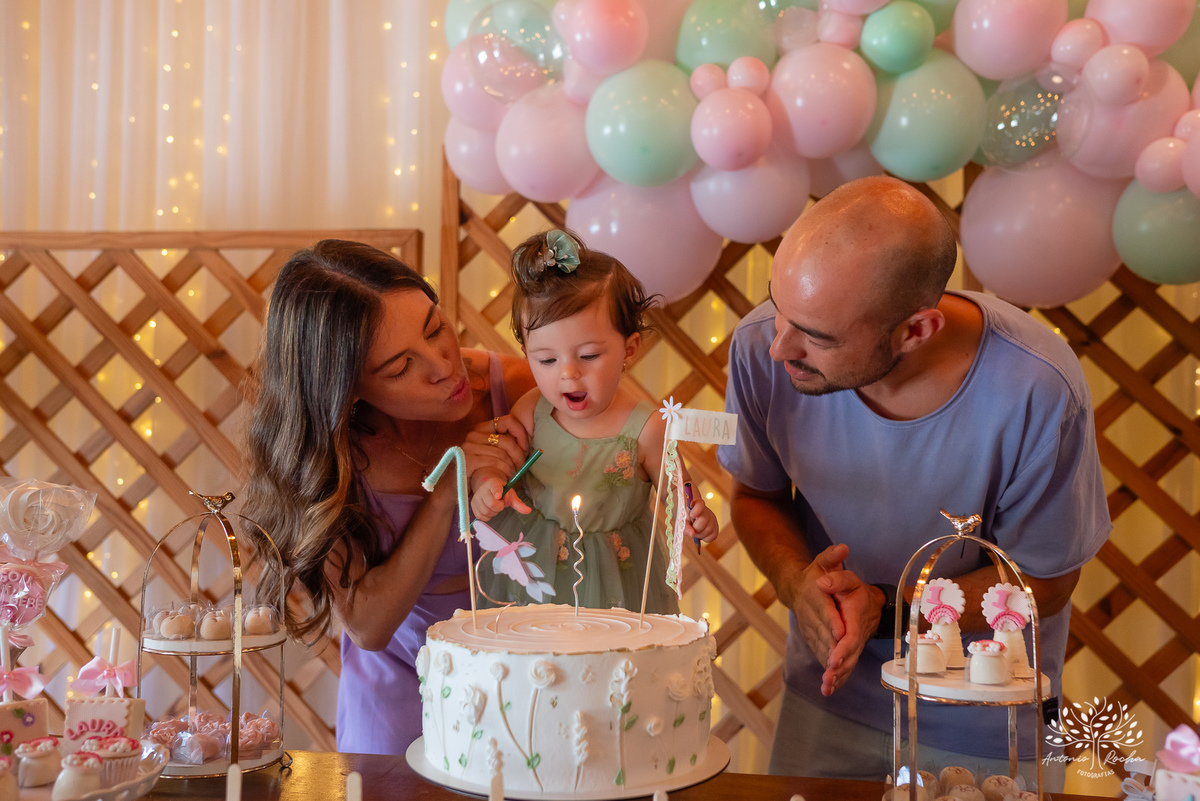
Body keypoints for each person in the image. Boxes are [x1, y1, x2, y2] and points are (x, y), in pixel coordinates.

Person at [717, 177, 1110, 786]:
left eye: (817, 336)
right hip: (829, 701)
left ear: (915, 331)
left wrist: (889, 607)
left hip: (985, 722)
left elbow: (1047, 581)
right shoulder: (759, 346)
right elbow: (756, 496)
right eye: (779, 309)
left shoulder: (1036, 388)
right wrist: (796, 581)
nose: (779, 347)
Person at [242, 240, 536, 754]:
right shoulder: (327, 452)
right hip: (398, 704)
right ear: (347, 389)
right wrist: (447, 493)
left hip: (530, 685)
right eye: (400, 368)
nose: (444, 367)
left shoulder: (520, 389)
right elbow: (369, 626)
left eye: (435, 328)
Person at [469, 229, 718, 613]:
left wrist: (696, 516)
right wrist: (487, 484)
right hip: (538, 564)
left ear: (628, 350)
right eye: (547, 360)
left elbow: (678, 494)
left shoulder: (647, 429)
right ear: (527, 353)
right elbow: (502, 464)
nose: (568, 373)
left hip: (617, 573)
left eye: (588, 355)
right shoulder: (532, 410)